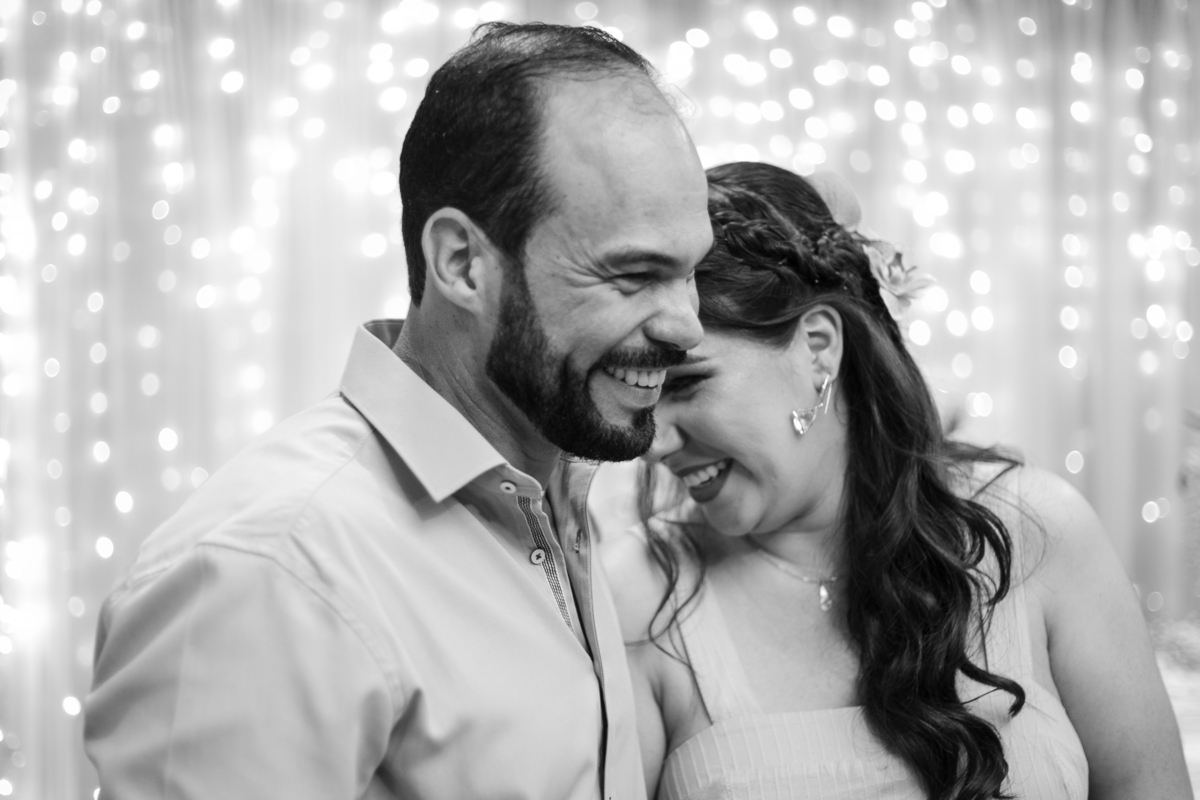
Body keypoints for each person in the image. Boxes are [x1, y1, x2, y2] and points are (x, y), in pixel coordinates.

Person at [84, 23, 713, 800]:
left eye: (692, 271)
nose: (687, 325)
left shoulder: (562, 501)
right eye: (635, 274)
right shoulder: (271, 568)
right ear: (462, 263)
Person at [603, 161, 1192, 800]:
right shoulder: (640, 590)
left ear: (818, 347)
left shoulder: (1037, 528)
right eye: (645, 394)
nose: (654, 443)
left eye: (687, 384)